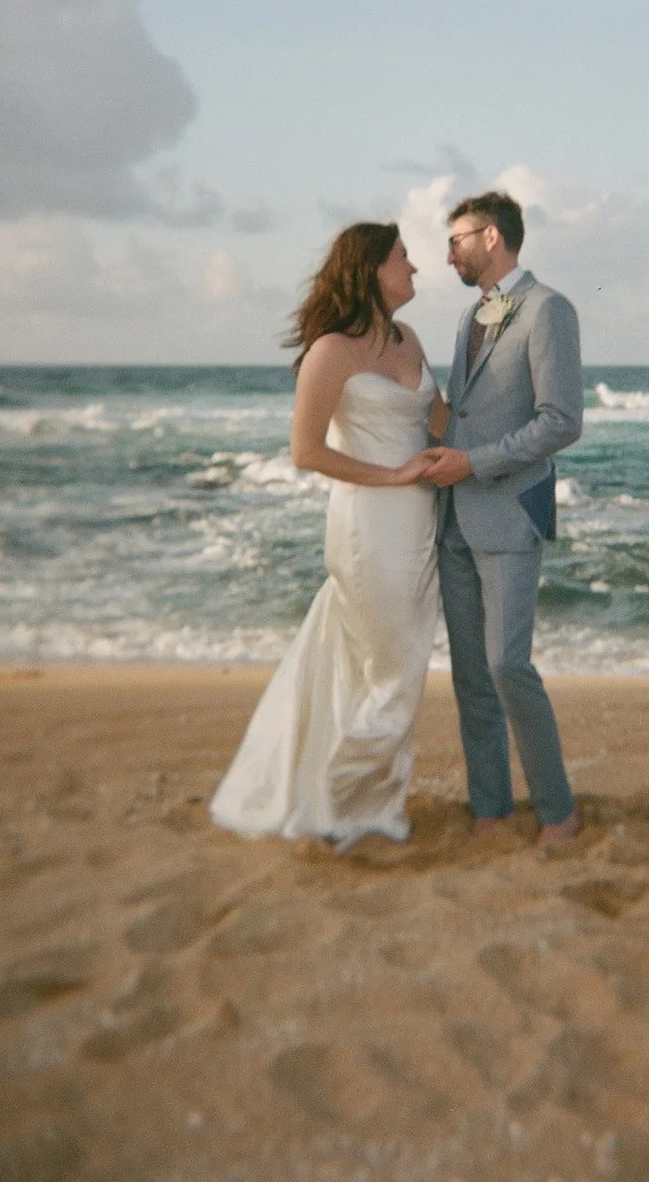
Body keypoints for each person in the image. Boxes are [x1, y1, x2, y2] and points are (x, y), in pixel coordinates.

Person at [210, 222, 447, 849]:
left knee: (395, 666)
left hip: (421, 528)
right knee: (390, 669)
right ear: (370, 270)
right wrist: (394, 474)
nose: (415, 268)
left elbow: (443, 423)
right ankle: (341, 806)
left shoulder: (410, 339)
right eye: (403, 258)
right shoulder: (330, 351)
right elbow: (305, 451)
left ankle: (366, 802)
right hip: (369, 529)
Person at [422, 191, 583, 846]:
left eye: (457, 238)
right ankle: (489, 809)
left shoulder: (548, 310)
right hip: (453, 517)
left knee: (506, 666)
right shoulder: (468, 319)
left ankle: (557, 811)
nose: (448, 252)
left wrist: (473, 464)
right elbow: (458, 414)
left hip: (510, 513)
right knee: (469, 677)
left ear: (492, 238)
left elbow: (561, 421)